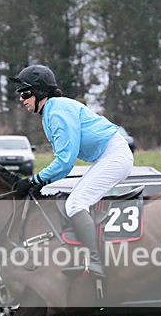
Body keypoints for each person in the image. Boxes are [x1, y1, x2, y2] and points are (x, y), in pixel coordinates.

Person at [9, 64, 134, 279]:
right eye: (20, 94)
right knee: (75, 201)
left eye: (25, 93)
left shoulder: (57, 112)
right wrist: (41, 182)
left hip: (114, 155)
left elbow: (65, 162)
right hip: (106, 156)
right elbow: (63, 165)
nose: (21, 99)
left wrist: (34, 180)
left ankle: (95, 262)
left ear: (40, 92)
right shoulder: (51, 111)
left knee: (75, 203)